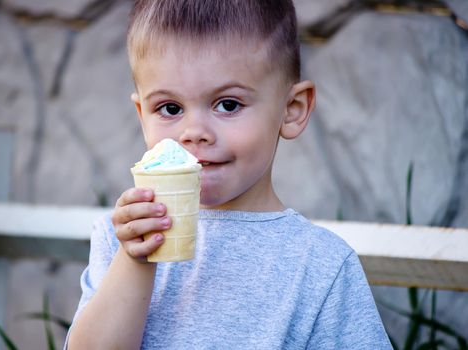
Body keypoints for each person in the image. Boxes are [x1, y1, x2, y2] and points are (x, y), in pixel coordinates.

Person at [67, 0, 392, 349]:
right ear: (141, 113)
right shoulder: (121, 241)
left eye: (228, 104)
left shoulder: (321, 265)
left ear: (291, 110)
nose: (194, 132)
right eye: (170, 108)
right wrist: (135, 263)